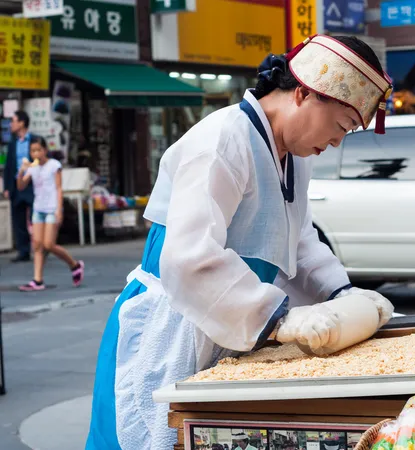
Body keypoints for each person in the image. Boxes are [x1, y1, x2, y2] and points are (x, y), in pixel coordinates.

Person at [85, 34, 395, 450]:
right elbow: (190, 256)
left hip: (236, 324)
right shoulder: (222, 138)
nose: (338, 142)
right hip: (176, 323)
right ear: (304, 93)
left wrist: (342, 294)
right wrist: (277, 318)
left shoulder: (294, 159)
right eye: (340, 126)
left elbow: (297, 241)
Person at [16, 136, 84, 291]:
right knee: (37, 245)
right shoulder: (32, 168)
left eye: (38, 150)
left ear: (45, 150)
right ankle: (37, 280)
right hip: (38, 208)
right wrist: (21, 171)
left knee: (48, 244)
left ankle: (75, 265)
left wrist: (59, 209)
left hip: (52, 208)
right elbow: (21, 186)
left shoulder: (54, 165)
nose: (36, 154)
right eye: (33, 151)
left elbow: (59, 188)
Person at [3, 110, 36, 262]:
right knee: (18, 219)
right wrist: (7, 188)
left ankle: (42, 246)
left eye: (14, 121)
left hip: (33, 184)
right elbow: (9, 166)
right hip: (17, 185)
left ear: (22, 123)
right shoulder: (12, 143)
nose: (11, 124)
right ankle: (23, 251)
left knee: (35, 217)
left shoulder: (35, 140)